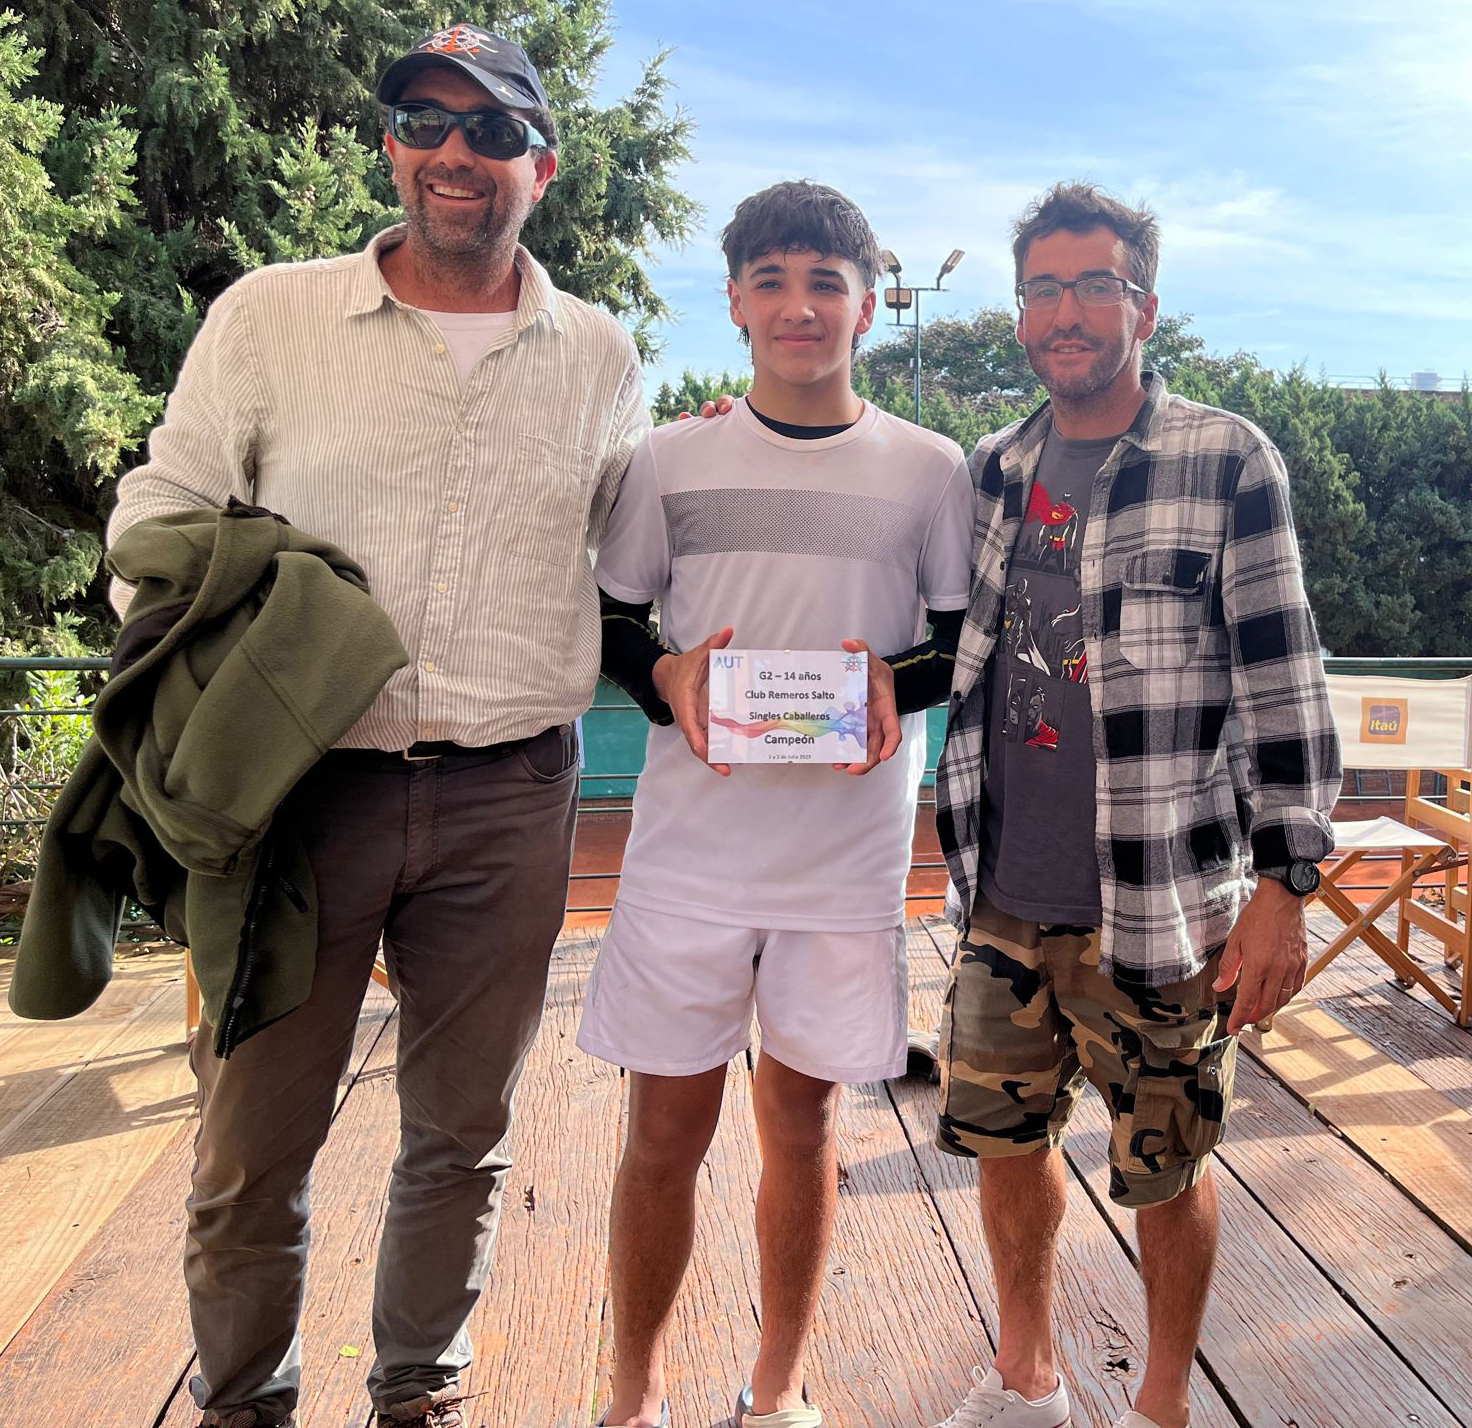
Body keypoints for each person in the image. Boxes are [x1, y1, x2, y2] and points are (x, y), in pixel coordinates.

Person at [105, 24, 650, 1428]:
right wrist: (213, 658)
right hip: (299, 797)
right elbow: (160, 508)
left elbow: (632, 553)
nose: (454, 152)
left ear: (542, 163)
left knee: (462, 1136)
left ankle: (418, 1393)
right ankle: (243, 1403)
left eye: (491, 129)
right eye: (423, 120)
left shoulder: (600, 353)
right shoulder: (269, 316)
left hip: (511, 793)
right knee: (250, 1143)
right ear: (392, 144)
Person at [928, 182, 1342, 1428]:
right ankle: (1026, 1378)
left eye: (1092, 285)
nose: (1064, 312)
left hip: (1162, 909)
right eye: (1041, 289)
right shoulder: (989, 470)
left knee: (1166, 1166)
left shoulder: (1226, 458)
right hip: (1001, 899)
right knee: (1005, 1149)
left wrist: (1286, 886)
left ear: (1142, 307)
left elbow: (1282, 680)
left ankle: (1162, 1402)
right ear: (1018, 315)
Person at [581, 180, 975, 1428]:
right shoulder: (668, 460)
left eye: (824, 283)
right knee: (661, 1138)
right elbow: (614, 618)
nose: (799, 306)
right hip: (686, 861)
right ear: (736, 303)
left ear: (865, 303)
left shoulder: (932, 471)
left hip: (842, 867)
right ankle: (631, 1398)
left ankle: (777, 1391)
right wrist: (665, 676)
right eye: (772, 282)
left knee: (800, 1133)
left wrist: (893, 683)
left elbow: (957, 640)